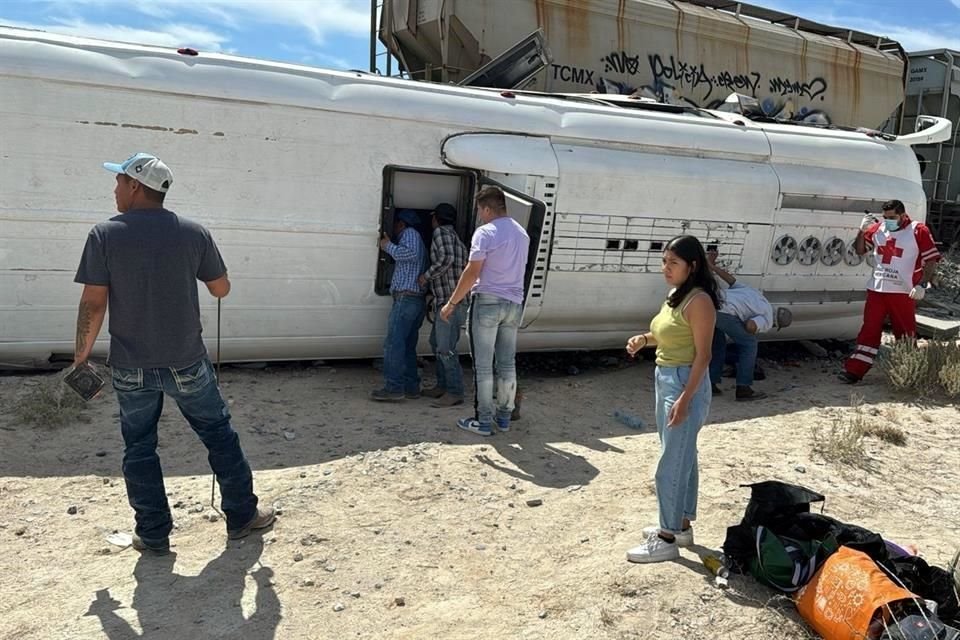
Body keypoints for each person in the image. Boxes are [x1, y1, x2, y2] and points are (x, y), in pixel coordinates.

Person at [73, 152, 274, 555]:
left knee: (140, 446)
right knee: (218, 434)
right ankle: (241, 517)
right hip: (187, 361)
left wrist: (81, 359)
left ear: (134, 186)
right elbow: (221, 289)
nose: (114, 189)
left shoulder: (104, 235)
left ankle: (152, 533)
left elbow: (94, 303)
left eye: (118, 181)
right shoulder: (194, 233)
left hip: (131, 367)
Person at [624, 235, 719, 563]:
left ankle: (666, 538)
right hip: (666, 377)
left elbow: (703, 356)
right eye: (664, 261)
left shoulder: (700, 302)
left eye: (673, 263)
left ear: (691, 267)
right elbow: (667, 334)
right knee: (683, 455)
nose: (665, 268)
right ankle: (679, 524)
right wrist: (643, 338)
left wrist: (685, 399)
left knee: (670, 463)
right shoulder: (675, 296)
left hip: (684, 382)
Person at [441, 186, 529, 436]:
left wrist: (452, 302)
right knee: (507, 364)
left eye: (480, 210)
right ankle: (504, 418)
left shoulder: (485, 232)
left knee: (483, 366)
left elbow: (472, 271)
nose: (480, 215)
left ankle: (484, 421)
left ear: (488, 208)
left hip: (488, 302)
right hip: (514, 303)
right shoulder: (522, 233)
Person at [840, 200, 941, 383]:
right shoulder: (878, 229)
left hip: (903, 292)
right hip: (877, 289)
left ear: (903, 215)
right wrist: (862, 231)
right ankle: (854, 371)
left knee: (905, 332)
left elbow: (931, 260)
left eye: (892, 218)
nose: (888, 222)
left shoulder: (918, 230)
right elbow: (860, 250)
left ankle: (909, 372)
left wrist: (923, 285)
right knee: (869, 329)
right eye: (885, 218)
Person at [707, 251, 793, 400]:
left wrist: (711, 266)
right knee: (749, 344)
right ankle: (744, 389)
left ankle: (711, 384)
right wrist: (747, 330)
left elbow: (731, 280)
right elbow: (751, 325)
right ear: (776, 323)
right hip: (725, 312)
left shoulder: (758, 296)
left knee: (718, 344)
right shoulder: (768, 318)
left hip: (709, 303)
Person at [372, 209, 429, 401]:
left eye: (396, 224)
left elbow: (410, 255)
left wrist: (388, 246)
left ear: (402, 224)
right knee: (407, 346)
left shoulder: (410, 234)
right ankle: (411, 386)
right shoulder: (418, 238)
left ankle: (394, 388)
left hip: (406, 298)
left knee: (393, 344)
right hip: (415, 300)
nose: (395, 228)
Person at [419, 203, 469, 407]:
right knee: (436, 343)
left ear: (436, 218)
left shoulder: (440, 232)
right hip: (455, 301)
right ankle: (442, 385)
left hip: (450, 303)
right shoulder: (457, 240)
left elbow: (445, 259)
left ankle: (454, 391)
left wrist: (426, 276)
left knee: (445, 348)